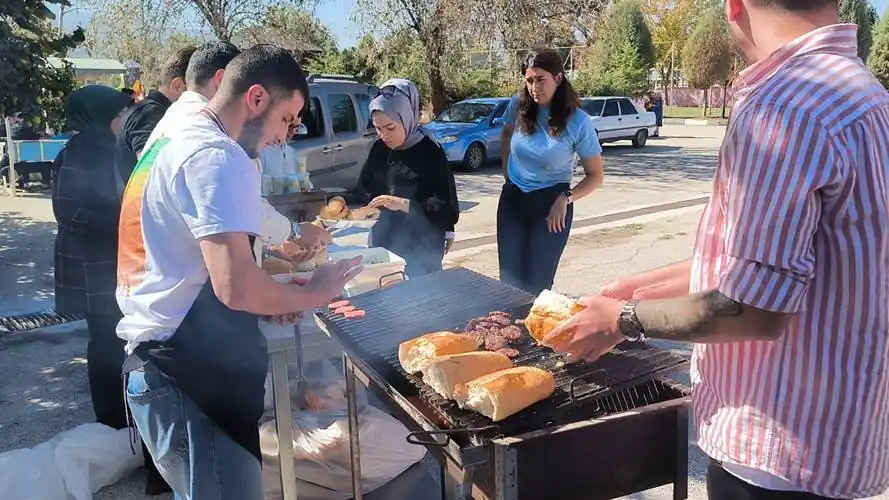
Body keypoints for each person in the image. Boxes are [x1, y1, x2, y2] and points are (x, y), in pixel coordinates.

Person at [542, 2, 889, 499]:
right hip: (834, 440)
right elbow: (771, 266)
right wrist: (636, 290)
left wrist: (626, 320)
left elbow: (754, 308)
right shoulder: (865, 95)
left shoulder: (784, 107)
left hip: (773, 456)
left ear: (735, 6)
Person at [117, 44, 361, 499]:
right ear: (256, 99)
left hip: (168, 369)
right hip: (189, 381)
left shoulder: (178, 135)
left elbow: (197, 265)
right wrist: (315, 293)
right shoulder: (215, 155)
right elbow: (235, 286)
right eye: (287, 119)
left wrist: (270, 300)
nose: (285, 137)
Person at [144, 40, 296, 247]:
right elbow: (243, 205)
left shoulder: (176, 118)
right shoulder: (210, 142)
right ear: (223, 79)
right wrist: (294, 232)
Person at [51, 86, 133, 448]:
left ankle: (126, 418)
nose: (124, 120)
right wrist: (126, 219)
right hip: (92, 269)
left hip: (113, 263)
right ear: (98, 117)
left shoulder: (111, 149)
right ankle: (111, 426)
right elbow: (70, 211)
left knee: (120, 342)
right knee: (105, 343)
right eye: (119, 114)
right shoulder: (77, 153)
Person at [498, 48, 604, 295]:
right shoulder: (518, 105)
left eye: (540, 79)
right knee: (508, 283)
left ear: (558, 78)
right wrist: (507, 172)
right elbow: (505, 134)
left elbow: (595, 175)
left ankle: (535, 332)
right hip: (513, 201)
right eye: (529, 80)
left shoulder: (578, 121)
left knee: (537, 286)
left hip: (552, 206)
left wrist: (566, 199)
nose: (535, 87)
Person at [359, 79, 459, 278]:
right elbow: (364, 187)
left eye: (390, 127)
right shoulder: (379, 149)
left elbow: (448, 211)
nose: (384, 135)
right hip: (385, 249)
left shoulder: (430, 151)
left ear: (406, 117)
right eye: (378, 128)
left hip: (422, 250)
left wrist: (405, 204)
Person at [114, 46, 196, 197]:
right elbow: (152, 173)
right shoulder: (152, 115)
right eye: (198, 90)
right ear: (178, 85)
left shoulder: (147, 110)